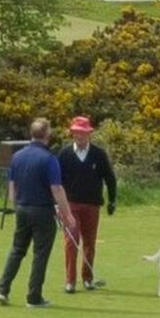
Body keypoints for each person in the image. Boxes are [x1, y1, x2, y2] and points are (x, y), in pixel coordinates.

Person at [0, 118, 76, 308]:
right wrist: (67, 214)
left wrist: (16, 206)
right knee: (40, 254)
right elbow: (57, 188)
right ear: (47, 134)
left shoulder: (17, 156)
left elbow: (12, 187)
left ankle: (2, 289)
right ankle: (34, 296)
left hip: (22, 208)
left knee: (17, 250)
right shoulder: (49, 159)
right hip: (42, 210)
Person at [57, 115, 117, 293]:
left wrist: (112, 200)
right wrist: (57, 204)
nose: (79, 136)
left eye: (83, 133)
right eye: (76, 133)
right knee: (72, 240)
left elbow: (110, 178)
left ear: (88, 134)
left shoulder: (98, 154)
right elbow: (56, 181)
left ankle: (87, 278)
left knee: (89, 242)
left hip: (92, 205)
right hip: (70, 204)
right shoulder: (65, 154)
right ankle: (70, 281)